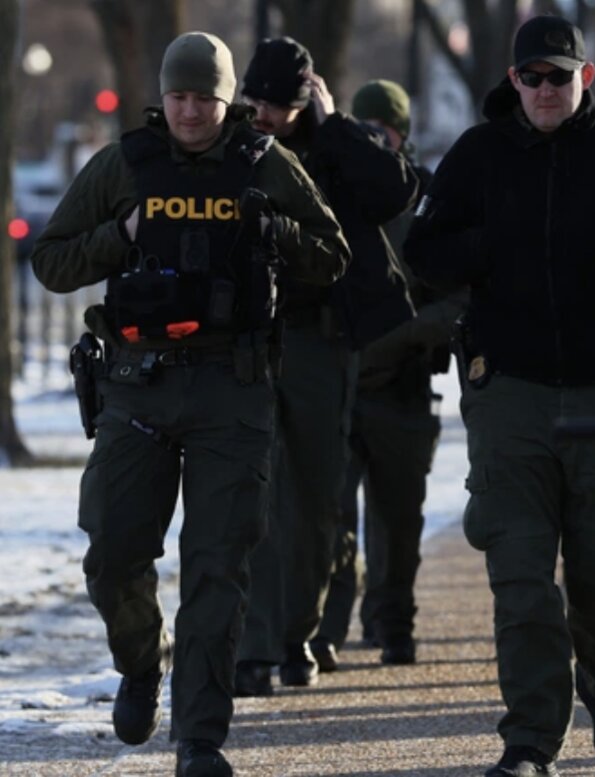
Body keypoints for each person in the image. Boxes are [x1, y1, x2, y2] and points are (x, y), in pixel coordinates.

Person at [404, 15, 595, 776]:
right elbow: (423, 252)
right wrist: (494, 246)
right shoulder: (479, 154)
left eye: (559, 76)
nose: (545, 89)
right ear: (513, 81)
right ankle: (530, 742)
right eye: (531, 77)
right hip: (510, 394)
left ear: (586, 78)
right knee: (520, 578)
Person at [29, 31, 349, 776]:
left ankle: (199, 738)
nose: (190, 111)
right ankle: (143, 661)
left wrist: (274, 229)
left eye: (204, 97)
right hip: (136, 386)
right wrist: (122, 234)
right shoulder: (125, 164)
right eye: (178, 96)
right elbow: (50, 261)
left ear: (226, 99)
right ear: (162, 98)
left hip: (231, 389)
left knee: (217, 567)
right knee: (113, 553)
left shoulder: (266, 163)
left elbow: (333, 256)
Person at [233, 37, 419, 695]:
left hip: (320, 339)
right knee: (252, 488)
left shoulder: (337, 146)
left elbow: (395, 190)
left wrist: (335, 125)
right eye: (254, 100)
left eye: (277, 106)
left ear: (304, 100)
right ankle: (253, 645)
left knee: (317, 496)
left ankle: (298, 633)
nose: (263, 115)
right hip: (250, 336)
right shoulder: (236, 142)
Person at [313, 79, 465, 667]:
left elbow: (459, 298)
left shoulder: (428, 199)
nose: (374, 139)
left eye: (385, 131)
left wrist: (406, 333)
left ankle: (392, 623)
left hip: (403, 387)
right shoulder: (328, 187)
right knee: (329, 517)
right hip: (338, 385)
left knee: (398, 523)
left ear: (402, 136)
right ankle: (323, 630)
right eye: (364, 129)